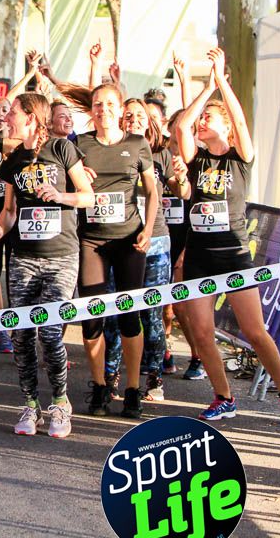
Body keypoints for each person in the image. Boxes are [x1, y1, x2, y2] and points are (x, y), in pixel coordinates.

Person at [171, 48, 280, 423]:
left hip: (233, 252)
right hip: (199, 256)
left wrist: (222, 83)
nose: (201, 123)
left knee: (254, 331)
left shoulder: (239, 156)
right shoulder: (197, 157)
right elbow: (182, 126)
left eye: (209, 119)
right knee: (200, 331)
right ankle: (224, 396)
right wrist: (204, 90)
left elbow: (242, 126)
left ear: (225, 126)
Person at [0, 93, 94, 438]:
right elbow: (10, 212)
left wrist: (61, 197)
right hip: (23, 258)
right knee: (22, 334)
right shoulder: (12, 160)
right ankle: (30, 404)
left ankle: (60, 403)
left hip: (61, 254)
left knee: (49, 331)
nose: (7, 119)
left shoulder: (62, 149)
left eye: (13, 113)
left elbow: (87, 195)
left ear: (31, 117)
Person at [61, 83, 161, 420]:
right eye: (97, 104)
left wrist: (148, 230)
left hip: (129, 240)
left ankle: (132, 389)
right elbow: (61, 175)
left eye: (108, 104)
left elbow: (152, 191)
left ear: (119, 109)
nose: (102, 109)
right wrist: (75, 175)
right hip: (91, 240)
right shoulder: (81, 143)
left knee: (130, 315)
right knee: (92, 317)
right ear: (91, 110)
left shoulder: (137, 144)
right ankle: (100, 384)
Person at [122, 98, 174, 402]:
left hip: (156, 240)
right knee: (120, 311)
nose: (134, 120)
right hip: (122, 240)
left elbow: (183, 191)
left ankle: (154, 377)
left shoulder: (162, 155)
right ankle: (114, 373)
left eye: (140, 115)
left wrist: (180, 179)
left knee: (152, 314)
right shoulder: (114, 152)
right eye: (128, 115)